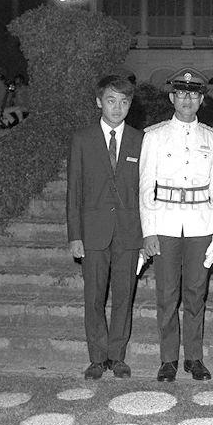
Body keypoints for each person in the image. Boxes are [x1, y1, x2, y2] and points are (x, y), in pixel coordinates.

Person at [139, 72, 213, 382]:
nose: (187, 99)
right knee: (166, 294)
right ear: (171, 98)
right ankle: (167, 360)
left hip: (199, 224)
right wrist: (148, 230)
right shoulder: (154, 136)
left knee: (195, 293)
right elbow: (145, 185)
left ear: (201, 99)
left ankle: (194, 357)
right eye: (181, 94)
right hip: (164, 222)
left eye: (193, 94)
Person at [66, 75, 143, 380]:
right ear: (99, 102)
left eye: (124, 102)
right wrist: (75, 235)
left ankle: (117, 355)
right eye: (111, 100)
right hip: (93, 231)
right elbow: (74, 191)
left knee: (125, 295)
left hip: (128, 230)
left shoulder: (140, 139)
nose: (118, 107)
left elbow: (145, 189)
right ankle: (97, 357)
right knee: (94, 296)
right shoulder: (82, 139)